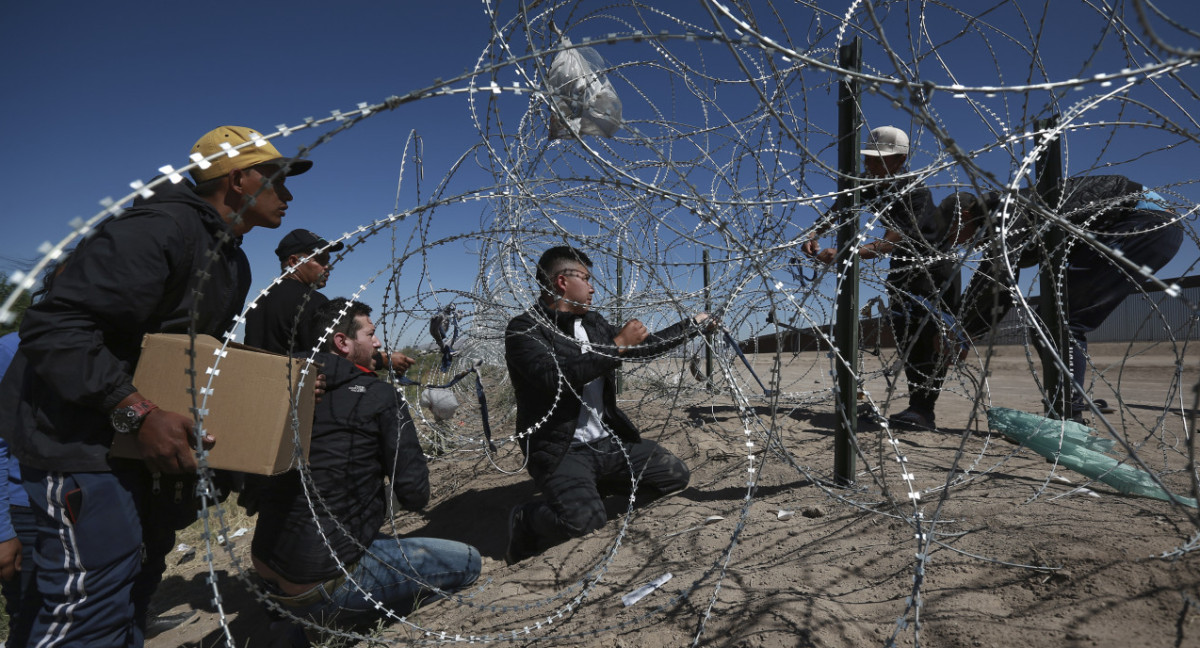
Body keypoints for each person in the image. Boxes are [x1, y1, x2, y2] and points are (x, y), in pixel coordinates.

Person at [6, 125, 311, 647]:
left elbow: (176, 353)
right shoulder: (159, 229)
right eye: (277, 178)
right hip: (81, 448)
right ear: (238, 179)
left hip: (137, 458)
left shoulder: (229, 256)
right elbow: (53, 327)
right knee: (89, 613)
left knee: (129, 597)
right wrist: (137, 413)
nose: (288, 194)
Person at [251, 298, 480, 633]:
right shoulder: (379, 397)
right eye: (370, 334)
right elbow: (415, 494)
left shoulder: (285, 388)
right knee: (468, 562)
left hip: (266, 562)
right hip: (318, 581)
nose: (378, 343)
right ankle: (337, 625)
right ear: (342, 343)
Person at [503, 245, 713, 564]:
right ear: (562, 282)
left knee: (674, 476)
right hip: (561, 450)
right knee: (585, 523)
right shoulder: (525, 330)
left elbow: (643, 348)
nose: (591, 287)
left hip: (606, 442)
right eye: (586, 278)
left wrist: (692, 325)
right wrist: (616, 347)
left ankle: (594, 485)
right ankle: (527, 519)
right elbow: (555, 379)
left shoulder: (594, 324)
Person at [951, 175, 1183, 421]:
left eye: (951, 232)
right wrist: (967, 331)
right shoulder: (1009, 212)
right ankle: (1067, 406)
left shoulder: (1006, 212)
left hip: (1144, 223)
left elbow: (997, 278)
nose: (954, 242)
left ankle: (1068, 416)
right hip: (1147, 226)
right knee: (1052, 320)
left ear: (965, 215)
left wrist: (961, 332)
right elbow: (1001, 281)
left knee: (1060, 320)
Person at [802, 126, 961, 431]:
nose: (869, 164)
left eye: (878, 159)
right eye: (869, 158)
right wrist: (816, 232)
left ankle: (923, 410)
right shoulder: (876, 186)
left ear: (900, 160)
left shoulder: (915, 191)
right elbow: (844, 205)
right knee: (907, 338)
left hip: (935, 271)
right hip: (905, 270)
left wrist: (847, 253)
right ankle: (920, 408)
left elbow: (890, 241)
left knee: (927, 339)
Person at [0, 332, 37, 648]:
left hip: (86, 505)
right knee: (28, 616)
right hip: (25, 509)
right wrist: (3, 532)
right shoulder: (11, 349)